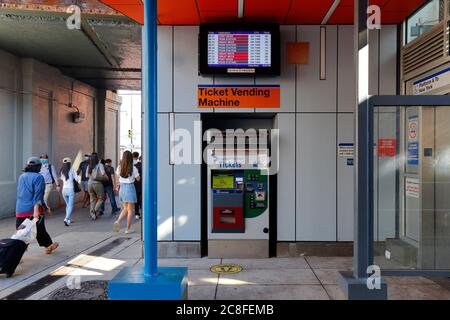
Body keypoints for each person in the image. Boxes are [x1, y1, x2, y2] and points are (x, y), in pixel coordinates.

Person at [16, 157, 59, 254]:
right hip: (33, 210)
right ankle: (48, 246)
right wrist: (37, 210)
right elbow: (38, 195)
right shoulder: (38, 177)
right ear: (37, 167)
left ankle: (16, 252)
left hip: (20, 209)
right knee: (39, 231)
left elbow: (21, 193)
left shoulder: (21, 177)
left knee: (22, 232)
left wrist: (44, 205)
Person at [114, 151, 140, 234]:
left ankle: (118, 221)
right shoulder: (133, 168)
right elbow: (138, 178)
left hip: (122, 188)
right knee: (130, 210)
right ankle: (127, 229)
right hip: (130, 188)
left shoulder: (119, 167)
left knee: (125, 208)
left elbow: (117, 177)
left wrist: (117, 185)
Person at [86, 153, 107, 220]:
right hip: (97, 183)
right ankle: (94, 210)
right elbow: (103, 174)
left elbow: (86, 175)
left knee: (92, 200)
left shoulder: (89, 165)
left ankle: (93, 215)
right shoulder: (100, 165)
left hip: (89, 184)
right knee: (101, 198)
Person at [59, 157, 78, 226]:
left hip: (64, 190)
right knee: (70, 205)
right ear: (70, 163)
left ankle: (69, 219)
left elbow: (61, 179)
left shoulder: (61, 171)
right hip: (71, 189)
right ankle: (66, 218)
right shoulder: (72, 170)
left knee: (68, 205)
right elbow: (76, 179)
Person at [132, 152, 142, 220]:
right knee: (140, 199)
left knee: (135, 200)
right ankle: (142, 212)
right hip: (139, 183)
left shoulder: (128, 164)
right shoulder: (139, 164)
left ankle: (137, 213)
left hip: (132, 184)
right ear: (138, 157)